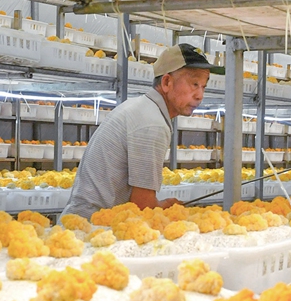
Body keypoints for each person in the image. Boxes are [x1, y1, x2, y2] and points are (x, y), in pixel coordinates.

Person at [61, 43, 222, 219]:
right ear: (167, 82)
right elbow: (142, 206)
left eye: (203, 86)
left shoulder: (142, 108)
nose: (200, 95)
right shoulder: (152, 123)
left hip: (85, 223)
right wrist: (167, 206)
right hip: (90, 229)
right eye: (194, 84)